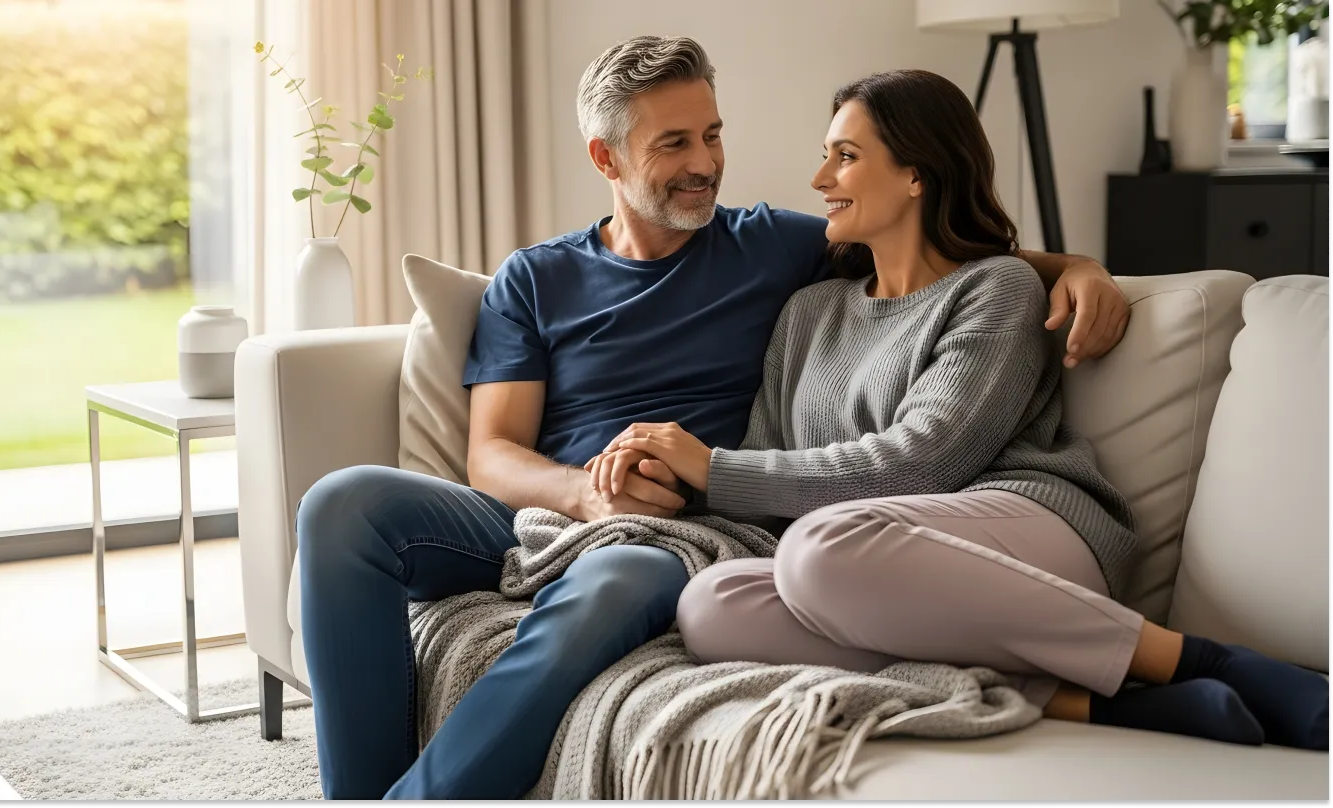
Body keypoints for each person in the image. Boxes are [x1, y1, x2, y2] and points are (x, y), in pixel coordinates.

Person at [293, 37, 1133, 801]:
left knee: (618, 575)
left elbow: (936, 238)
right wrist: (589, 498)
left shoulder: (778, 248)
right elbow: (493, 455)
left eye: (713, 135)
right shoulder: (534, 279)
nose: (706, 164)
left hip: (683, 525)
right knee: (342, 504)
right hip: (557, 510)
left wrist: (1082, 268)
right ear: (606, 156)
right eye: (674, 144)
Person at [590, 69, 1327, 752]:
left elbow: (928, 459)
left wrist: (712, 468)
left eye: (844, 157)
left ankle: (1198, 659)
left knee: (819, 550)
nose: (819, 180)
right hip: (872, 564)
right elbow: (772, 481)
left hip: (1024, 528)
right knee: (714, 604)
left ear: (916, 172)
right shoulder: (808, 312)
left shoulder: (996, 289)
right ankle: (1095, 701)